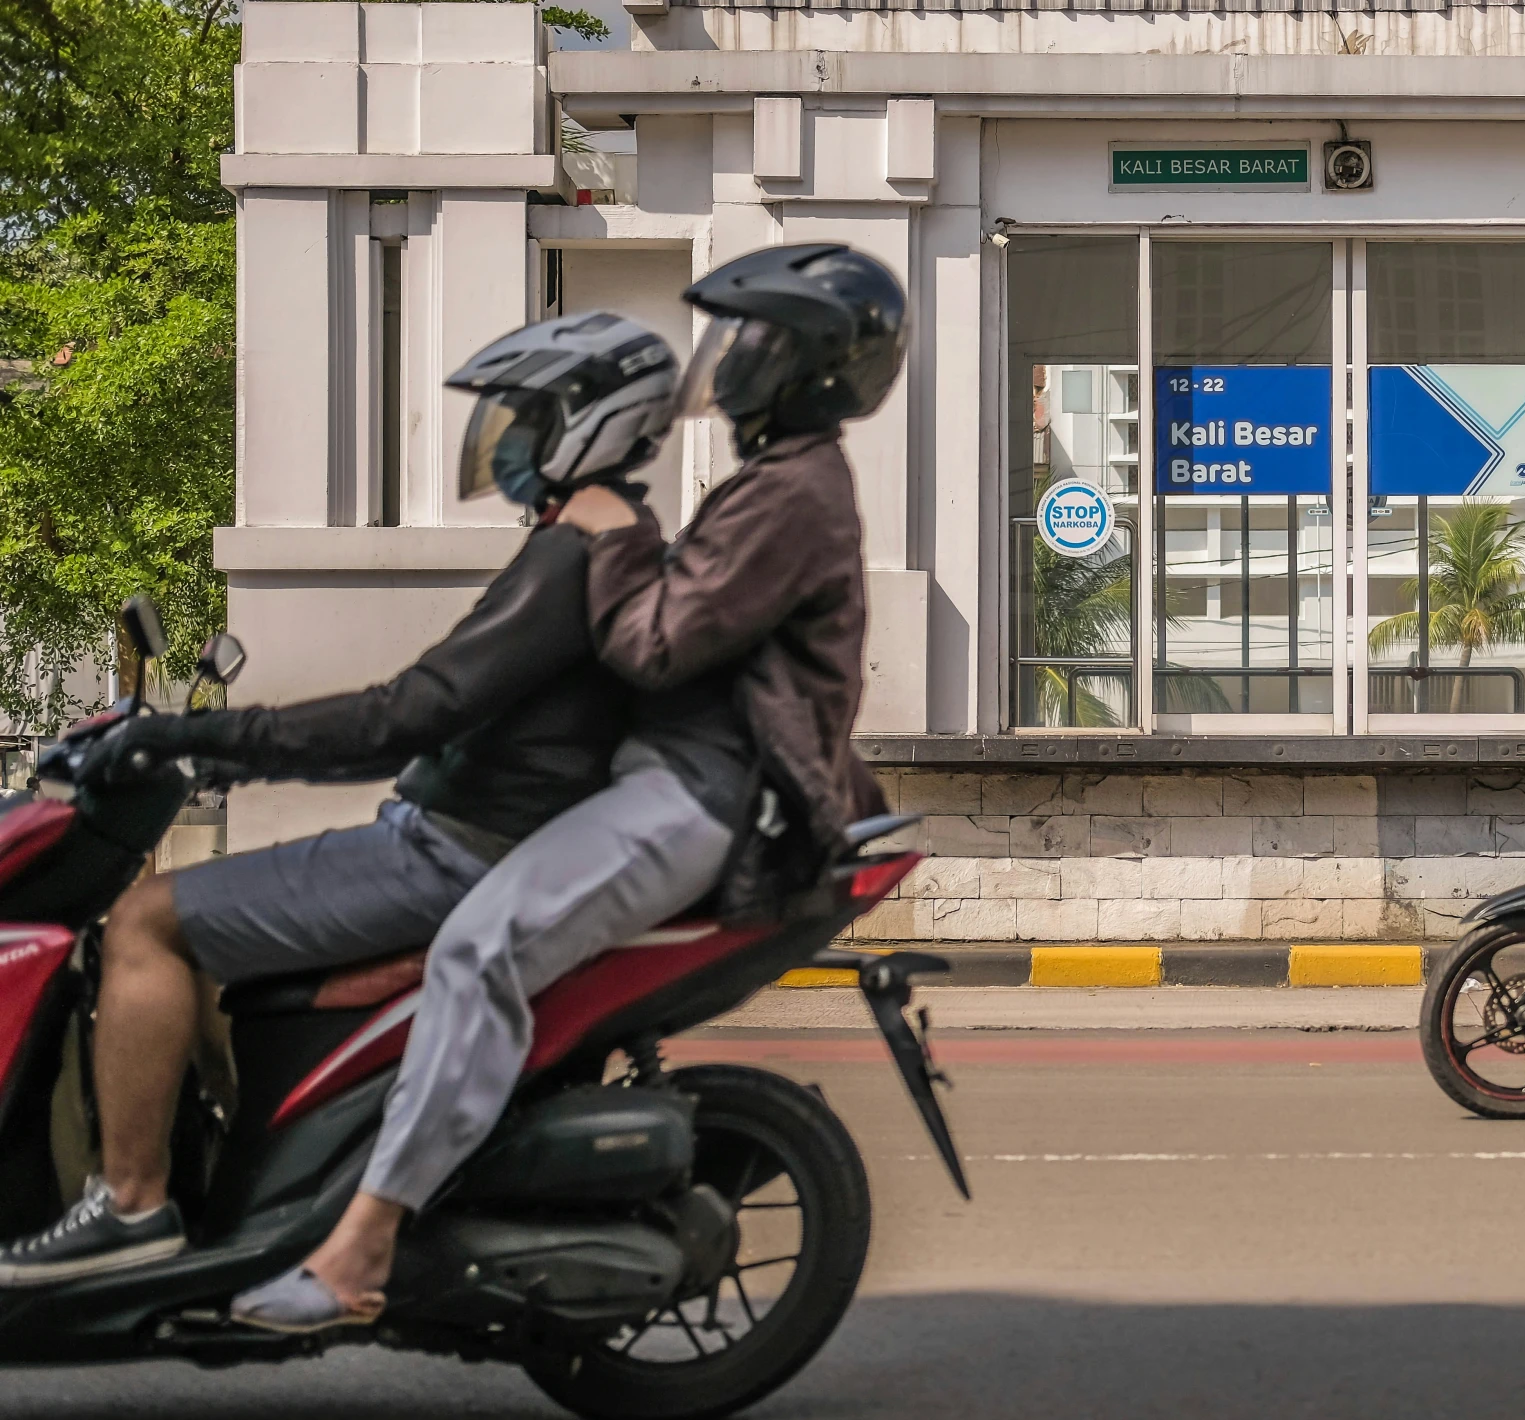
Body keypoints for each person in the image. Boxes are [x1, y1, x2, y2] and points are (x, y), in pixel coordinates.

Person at [226, 243, 904, 1332]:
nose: (728, 361)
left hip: (698, 794)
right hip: (672, 782)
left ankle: (359, 1248)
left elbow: (656, 646)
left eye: (756, 340)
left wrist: (615, 534)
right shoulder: (782, 482)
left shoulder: (794, 494)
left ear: (816, 363)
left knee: (475, 949)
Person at [0, 312, 677, 1288]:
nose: (508, 440)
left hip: (451, 850)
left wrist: (201, 735)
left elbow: (402, 715)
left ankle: (133, 1208)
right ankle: (237, 1178)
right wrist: (224, 749)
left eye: (527, 416)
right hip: (466, 835)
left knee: (148, 922)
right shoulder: (597, 545)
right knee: (208, 929)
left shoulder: (573, 556)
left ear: (590, 421)